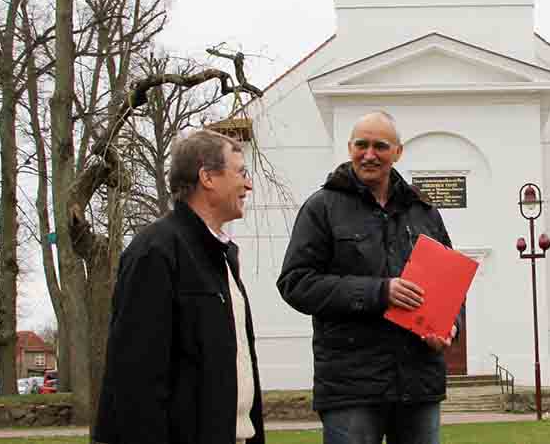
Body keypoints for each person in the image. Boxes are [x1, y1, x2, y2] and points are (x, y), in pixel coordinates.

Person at [278, 111, 460, 444]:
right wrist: (379, 292)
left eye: (380, 146)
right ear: (349, 148)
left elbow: (450, 282)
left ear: (398, 152)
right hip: (351, 388)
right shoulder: (322, 207)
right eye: (361, 145)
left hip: (418, 383)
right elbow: (296, 283)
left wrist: (450, 327)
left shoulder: (424, 211)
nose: (370, 154)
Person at [94, 130, 264, 444]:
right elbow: (135, 377)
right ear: (208, 177)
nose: (248, 184)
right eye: (241, 173)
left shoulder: (223, 256)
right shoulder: (156, 251)